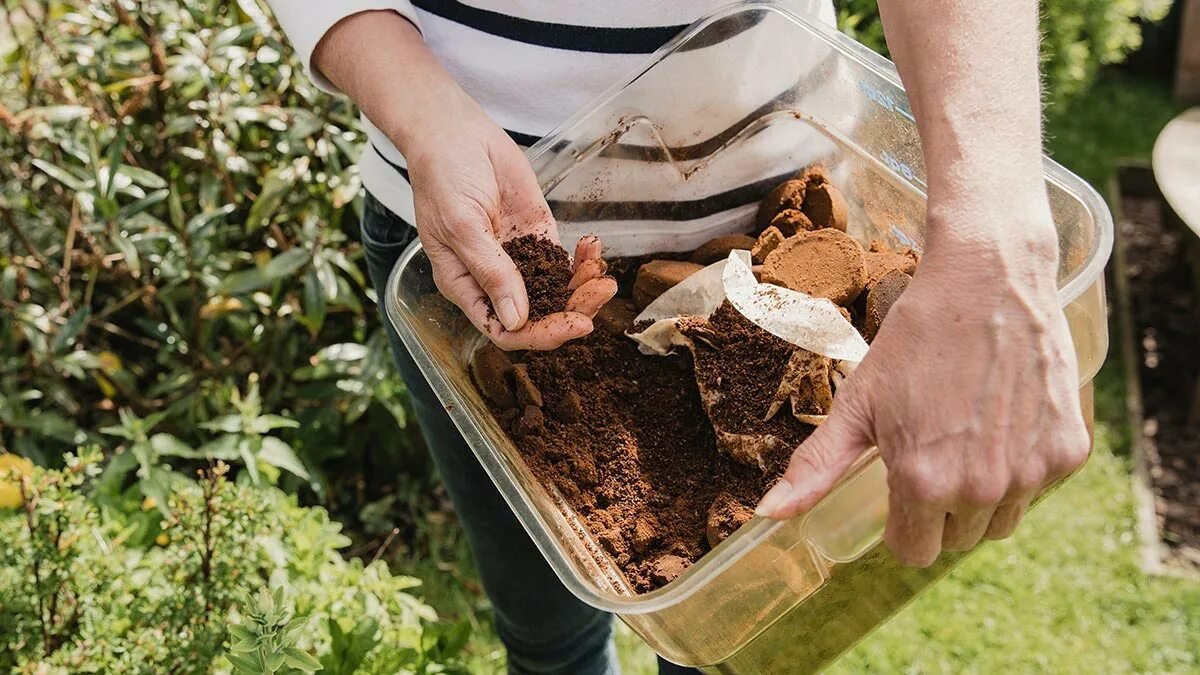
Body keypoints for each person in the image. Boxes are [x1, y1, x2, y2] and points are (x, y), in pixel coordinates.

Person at [264, 1, 1092, 673]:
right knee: (547, 635)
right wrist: (423, 109)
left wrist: (993, 240)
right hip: (471, 255)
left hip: (770, 214)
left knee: (730, 651)